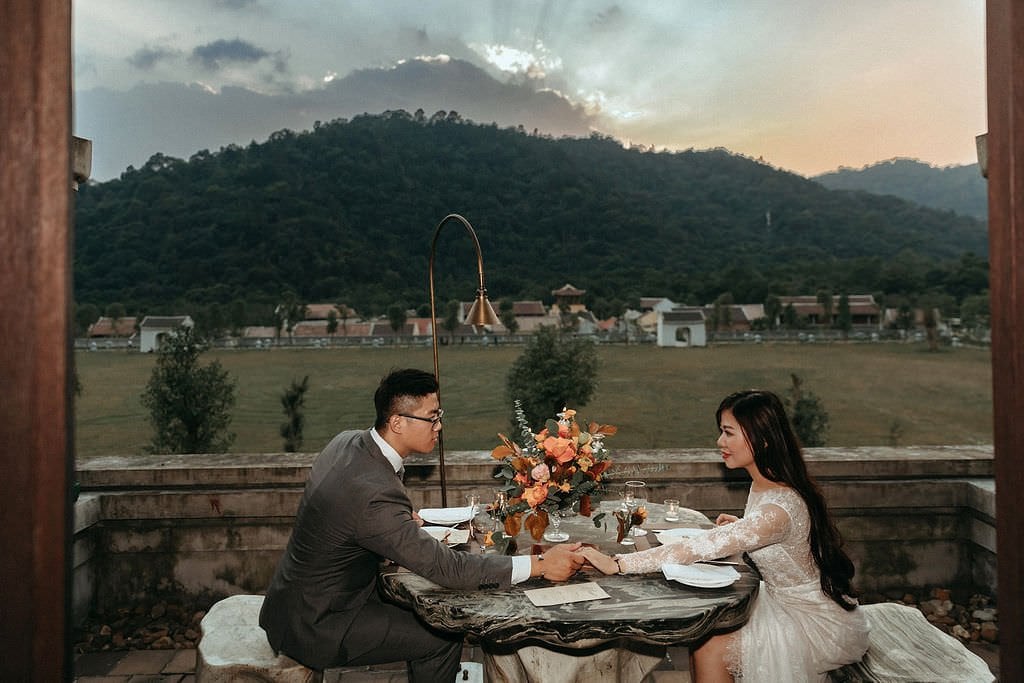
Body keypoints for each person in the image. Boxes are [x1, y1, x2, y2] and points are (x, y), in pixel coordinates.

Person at [260, 368, 584, 681]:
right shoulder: (373, 495)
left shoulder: (348, 442)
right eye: (432, 417)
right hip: (318, 625)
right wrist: (540, 564)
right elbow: (449, 569)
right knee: (443, 634)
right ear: (397, 422)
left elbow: (351, 517)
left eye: (439, 415)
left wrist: (394, 524)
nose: (439, 426)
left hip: (292, 603)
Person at [581, 389, 869, 683]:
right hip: (779, 600)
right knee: (705, 632)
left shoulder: (777, 509)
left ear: (762, 438)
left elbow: (700, 546)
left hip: (809, 621)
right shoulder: (768, 483)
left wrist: (619, 564)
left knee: (710, 646)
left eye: (729, 433)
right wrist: (745, 526)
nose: (720, 442)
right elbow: (779, 534)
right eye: (721, 432)